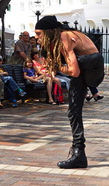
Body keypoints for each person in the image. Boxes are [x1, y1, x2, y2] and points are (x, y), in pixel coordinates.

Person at [35, 15, 104, 169]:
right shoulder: (64, 37)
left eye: (39, 33)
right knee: (73, 111)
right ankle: (79, 153)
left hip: (93, 65)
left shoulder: (64, 37)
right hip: (89, 69)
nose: (36, 37)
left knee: (74, 67)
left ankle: (78, 153)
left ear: (49, 31)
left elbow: (74, 71)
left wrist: (56, 66)